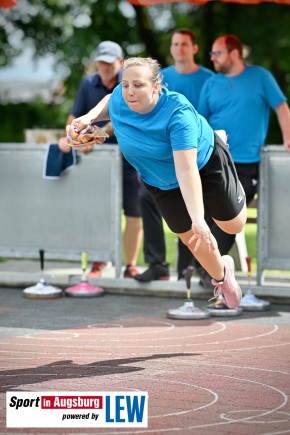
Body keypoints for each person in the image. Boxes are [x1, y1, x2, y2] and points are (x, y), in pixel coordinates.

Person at [70, 56, 247, 309]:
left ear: (156, 87)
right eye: (126, 84)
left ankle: (220, 144)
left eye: (138, 85)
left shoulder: (178, 113)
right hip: (160, 180)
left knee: (233, 226)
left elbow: (186, 170)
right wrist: (88, 118)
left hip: (204, 163)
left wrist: (199, 219)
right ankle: (223, 277)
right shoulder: (121, 97)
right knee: (193, 240)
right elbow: (111, 100)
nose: (130, 92)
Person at [195, 34, 290, 288]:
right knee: (200, 216)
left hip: (247, 164)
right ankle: (208, 272)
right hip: (213, 161)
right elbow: (200, 122)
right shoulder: (211, 84)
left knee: (230, 214)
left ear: (234, 53)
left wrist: (288, 138)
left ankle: (210, 274)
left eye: (217, 53)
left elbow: (282, 107)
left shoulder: (260, 77)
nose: (212, 58)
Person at [134, 28, 215, 282]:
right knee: (144, 196)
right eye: (175, 44)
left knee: (192, 205)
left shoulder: (209, 79)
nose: (179, 48)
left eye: (184, 44)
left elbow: (211, 117)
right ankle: (157, 263)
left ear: (194, 48)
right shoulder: (160, 78)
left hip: (196, 155)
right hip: (162, 158)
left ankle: (192, 269)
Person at [58, 41, 143, 278]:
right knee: (101, 210)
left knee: (133, 212)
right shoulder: (88, 83)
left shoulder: (128, 83)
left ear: (120, 62)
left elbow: (123, 119)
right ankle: (100, 259)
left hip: (129, 158)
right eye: (101, 62)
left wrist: (93, 137)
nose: (105, 66)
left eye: (109, 62)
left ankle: (131, 264)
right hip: (99, 162)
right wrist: (72, 136)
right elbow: (76, 114)